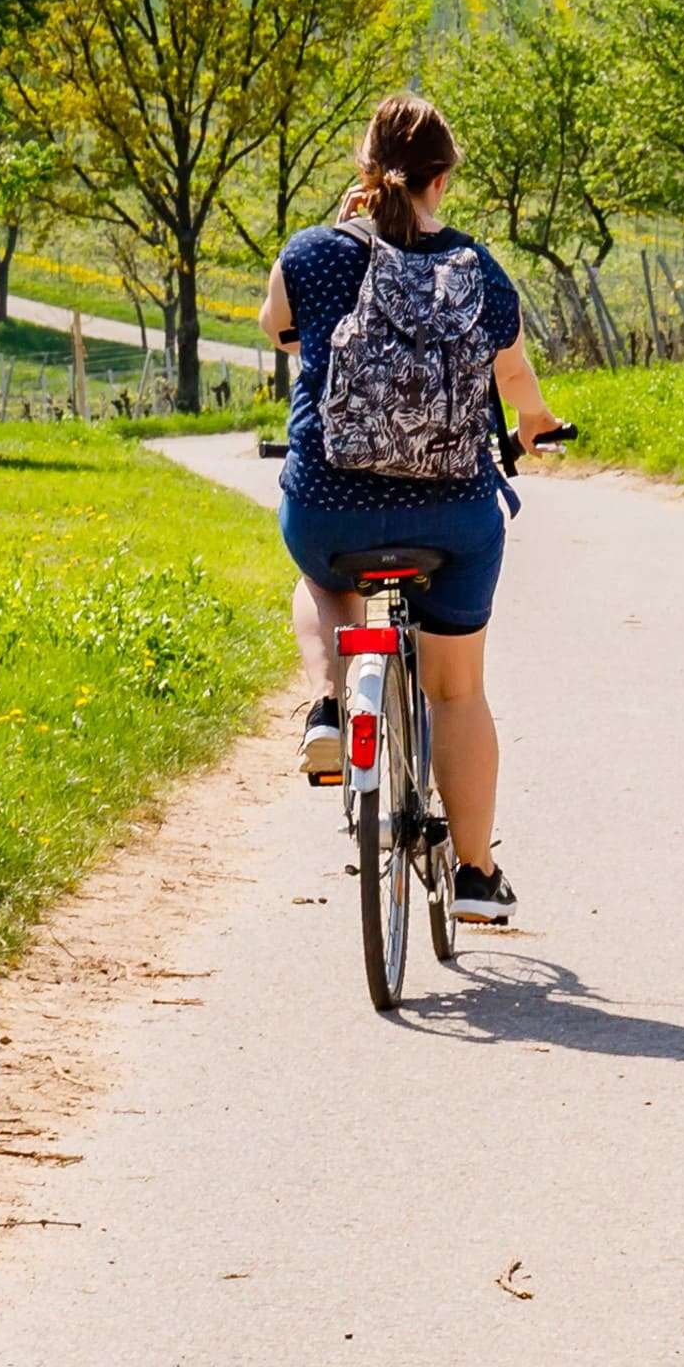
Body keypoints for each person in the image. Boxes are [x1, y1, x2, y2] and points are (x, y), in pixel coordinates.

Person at [266, 93, 570, 931]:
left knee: (320, 577)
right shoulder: (478, 271)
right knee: (457, 689)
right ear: (442, 179)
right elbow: (519, 390)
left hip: (331, 506)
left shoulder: (312, 255)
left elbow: (277, 329)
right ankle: (474, 872)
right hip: (453, 519)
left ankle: (330, 706)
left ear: (365, 171)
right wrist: (535, 429)